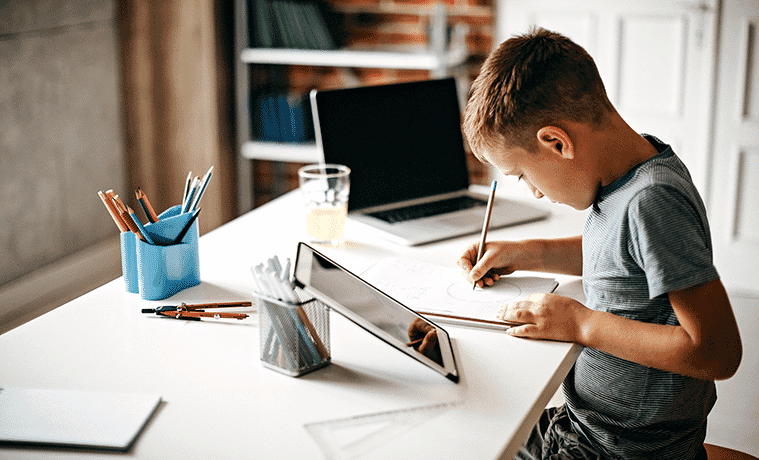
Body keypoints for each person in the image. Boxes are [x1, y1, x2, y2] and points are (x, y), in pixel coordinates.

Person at [457, 27, 743, 460]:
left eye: (522, 174)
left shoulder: (652, 200)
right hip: (587, 425)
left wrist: (581, 325)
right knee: (484, 429)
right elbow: (624, 256)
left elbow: (718, 353)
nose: (533, 192)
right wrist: (527, 251)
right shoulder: (625, 176)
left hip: (621, 449)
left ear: (556, 142)